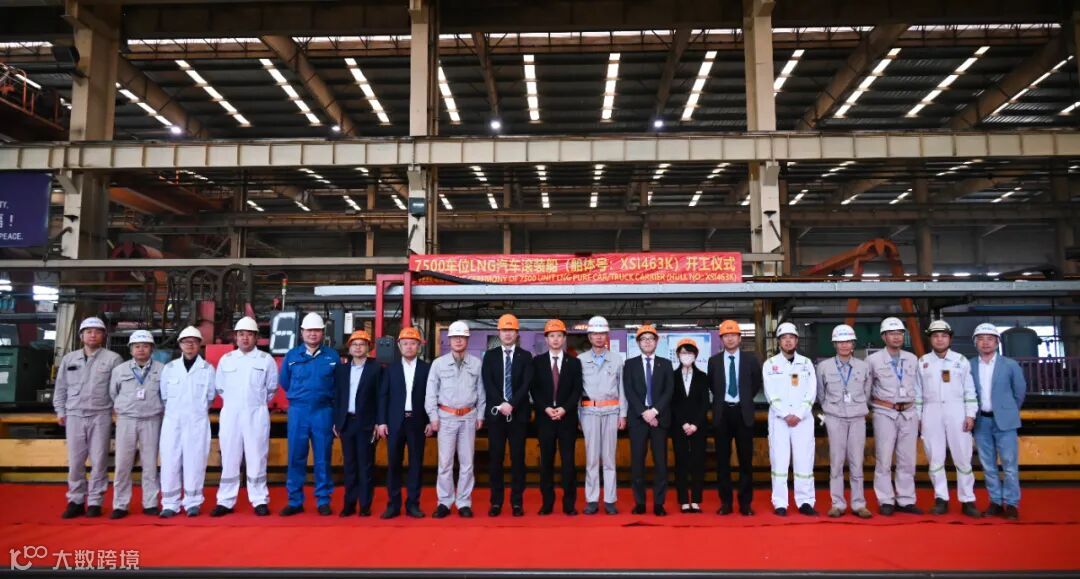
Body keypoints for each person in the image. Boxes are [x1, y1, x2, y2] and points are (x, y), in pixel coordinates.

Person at [55, 316, 123, 519]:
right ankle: (75, 500)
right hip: (74, 415)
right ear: (81, 336)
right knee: (75, 461)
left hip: (101, 415)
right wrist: (60, 410)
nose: (93, 335)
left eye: (97, 332)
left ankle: (95, 501)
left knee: (99, 460)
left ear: (103, 336)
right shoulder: (69, 359)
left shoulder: (113, 359)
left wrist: (117, 411)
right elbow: (61, 387)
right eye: (88, 332)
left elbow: (119, 389)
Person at [211, 316, 278, 517]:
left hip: (256, 413)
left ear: (256, 337)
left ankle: (259, 499)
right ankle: (225, 500)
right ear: (235, 337)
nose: (245, 338)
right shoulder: (227, 360)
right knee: (229, 457)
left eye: (249, 334)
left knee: (257, 457)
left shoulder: (265, 360)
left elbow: (271, 389)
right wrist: (236, 403)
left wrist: (254, 402)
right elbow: (220, 387)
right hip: (231, 414)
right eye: (241, 334)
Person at [279, 313, 339, 517]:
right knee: (296, 456)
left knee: (323, 457)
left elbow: (338, 385)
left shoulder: (332, 357)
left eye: (317, 330)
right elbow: (285, 382)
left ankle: (323, 500)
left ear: (322, 333)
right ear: (302, 332)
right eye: (309, 330)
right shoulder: (292, 356)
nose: (313, 334)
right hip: (299, 411)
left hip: (323, 411)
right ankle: (295, 500)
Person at [917, 320, 979, 518]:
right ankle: (941, 498)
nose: (939, 339)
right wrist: (918, 417)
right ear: (930, 339)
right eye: (935, 336)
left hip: (957, 411)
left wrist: (970, 414)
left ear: (950, 338)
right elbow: (917, 392)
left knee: (963, 457)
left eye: (943, 336)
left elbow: (969, 390)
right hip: (931, 412)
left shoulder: (961, 361)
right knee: (935, 458)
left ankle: (967, 500)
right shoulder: (923, 362)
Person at [425, 320, 485, 518]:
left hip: (468, 417)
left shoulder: (476, 364)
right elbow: (431, 393)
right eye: (455, 337)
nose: (458, 340)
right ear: (449, 340)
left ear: (467, 340)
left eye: (462, 337)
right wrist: (433, 416)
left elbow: (482, 392)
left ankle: (464, 502)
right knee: (445, 463)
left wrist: (480, 415)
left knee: (467, 463)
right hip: (446, 418)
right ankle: (444, 501)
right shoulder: (438, 364)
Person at [867, 316, 923, 516]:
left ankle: (906, 499)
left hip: (908, 412)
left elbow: (919, 387)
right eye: (892, 333)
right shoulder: (873, 360)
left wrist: (919, 413)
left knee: (907, 459)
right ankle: (886, 499)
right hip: (885, 412)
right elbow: (866, 388)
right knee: (883, 458)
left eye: (899, 333)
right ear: (884, 337)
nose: (897, 337)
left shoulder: (913, 359)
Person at [970, 323, 1027, 521]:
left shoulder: (1010, 365)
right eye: (981, 339)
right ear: (975, 343)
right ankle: (995, 501)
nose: (985, 343)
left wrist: (1007, 411)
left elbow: (1019, 392)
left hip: (1005, 421)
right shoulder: (969, 365)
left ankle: (1011, 503)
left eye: (990, 339)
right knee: (988, 465)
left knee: (1010, 465)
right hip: (981, 422)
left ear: (997, 342)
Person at [159, 326, 216, 518]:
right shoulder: (169, 368)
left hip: (197, 422)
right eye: (186, 341)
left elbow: (210, 397)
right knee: (170, 461)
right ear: (180, 344)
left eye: (194, 341)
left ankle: (193, 502)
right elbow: (164, 396)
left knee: (195, 461)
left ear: (200, 345)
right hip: (172, 422)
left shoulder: (207, 369)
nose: (189, 345)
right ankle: (170, 503)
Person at [816, 324, 872, 519]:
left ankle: (859, 504)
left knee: (857, 462)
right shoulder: (824, 367)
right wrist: (831, 409)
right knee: (837, 462)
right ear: (834, 344)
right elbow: (821, 394)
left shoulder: (864, 367)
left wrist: (857, 407)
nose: (844, 345)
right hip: (834, 418)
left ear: (853, 343)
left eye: (848, 341)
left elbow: (867, 392)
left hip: (857, 418)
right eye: (840, 342)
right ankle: (837, 504)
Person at [108, 330, 165, 519]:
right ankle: (120, 505)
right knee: (122, 464)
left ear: (152, 349)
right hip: (127, 420)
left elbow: (165, 395)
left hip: (151, 419)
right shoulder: (120, 370)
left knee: (150, 464)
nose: (141, 349)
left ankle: (150, 503)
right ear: (131, 349)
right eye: (137, 346)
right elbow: (113, 393)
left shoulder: (162, 369)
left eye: (145, 346)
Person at [708, 319, 762, 516]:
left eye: (733, 335)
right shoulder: (714, 361)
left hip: (743, 413)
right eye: (726, 336)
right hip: (722, 413)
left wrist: (743, 399)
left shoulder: (751, 360)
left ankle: (745, 503)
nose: (730, 339)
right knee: (722, 462)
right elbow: (713, 386)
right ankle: (726, 502)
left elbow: (755, 383)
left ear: (740, 338)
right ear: (721, 339)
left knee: (745, 461)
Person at [481, 313, 533, 517]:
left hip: (518, 415)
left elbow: (526, 383)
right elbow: (488, 383)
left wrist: (511, 404)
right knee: (496, 460)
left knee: (518, 460)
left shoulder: (525, 356)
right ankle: (496, 502)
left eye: (511, 330)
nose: (508, 334)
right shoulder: (490, 356)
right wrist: (502, 404)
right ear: (499, 333)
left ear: (517, 333)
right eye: (504, 330)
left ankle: (517, 502)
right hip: (496, 416)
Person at [763, 322, 817, 517]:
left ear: (796, 340)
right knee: (779, 461)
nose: (788, 341)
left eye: (791, 337)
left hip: (803, 420)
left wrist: (800, 414)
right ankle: (780, 502)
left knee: (804, 461)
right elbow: (770, 393)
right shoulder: (770, 364)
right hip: (780, 421)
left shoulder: (806, 363)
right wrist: (785, 414)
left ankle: (805, 501)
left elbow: (811, 391)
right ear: (778, 342)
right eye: (784, 338)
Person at [377, 327, 431, 519]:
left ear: (419, 346)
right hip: (394, 422)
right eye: (405, 343)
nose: (409, 347)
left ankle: (413, 504)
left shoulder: (427, 369)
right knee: (394, 464)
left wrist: (430, 420)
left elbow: (432, 396)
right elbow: (383, 396)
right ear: (399, 346)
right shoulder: (390, 370)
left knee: (416, 464)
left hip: (417, 421)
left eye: (413, 343)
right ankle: (393, 505)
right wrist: (381, 422)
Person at [529, 319, 582, 516]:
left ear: (564, 338)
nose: (556, 339)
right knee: (546, 463)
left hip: (567, 419)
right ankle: (547, 503)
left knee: (568, 463)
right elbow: (534, 389)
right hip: (545, 420)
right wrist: (545, 408)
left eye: (559, 335)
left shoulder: (574, 362)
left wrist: (564, 409)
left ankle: (569, 504)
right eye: (552, 336)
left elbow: (577, 390)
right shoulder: (537, 362)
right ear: (546, 339)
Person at [577, 315, 626, 515]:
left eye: (602, 333)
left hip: (611, 413)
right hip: (589, 413)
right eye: (595, 334)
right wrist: (578, 417)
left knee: (609, 459)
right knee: (592, 459)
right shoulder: (581, 360)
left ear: (607, 336)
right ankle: (591, 499)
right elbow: (577, 391)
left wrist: (623, 414)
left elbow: (622, 389)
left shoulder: (617, 359)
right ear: (589, 337)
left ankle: (610, 500)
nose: (598, 337)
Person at [624, 324, 673, 516]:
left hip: (659, 420)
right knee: (637, 463)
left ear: (656, 342)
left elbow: (669, 390)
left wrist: (654, 411)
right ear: (638, 343)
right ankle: (640, 502)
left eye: (651, 339)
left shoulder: (666, 364)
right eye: (643, 339)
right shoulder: (630, 364)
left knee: (660, 463)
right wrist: (644, 412)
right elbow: (629, 390)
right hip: (638, 420)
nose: (647, 342)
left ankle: (659, 503)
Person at [333, 330, 382, 517]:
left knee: (365, 465)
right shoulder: (342, 370)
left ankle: (365, 504)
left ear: (369, 347)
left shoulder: (376, 369)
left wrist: (379, 422)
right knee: (350, 466)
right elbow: (338, 396)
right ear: (349, 348)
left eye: (362, 344)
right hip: (347, 423)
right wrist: (337, 421)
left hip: (367, 424)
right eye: (355, 344)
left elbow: (380, 397)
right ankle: (349, 503)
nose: (358, 347)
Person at [671, 338, 708, 514]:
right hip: (679, 426)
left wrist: (695, 424)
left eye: (690, 352)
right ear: (678, 355)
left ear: (696, 355)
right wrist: (684, 423)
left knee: (698, 462)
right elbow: (672, 402)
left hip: (698, 426)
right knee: (681, 462)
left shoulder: (702, 376)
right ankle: (684, 500)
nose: (687, 356)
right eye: (684, 352)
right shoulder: (672, 376)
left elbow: (705, 403)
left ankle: (696, 499)